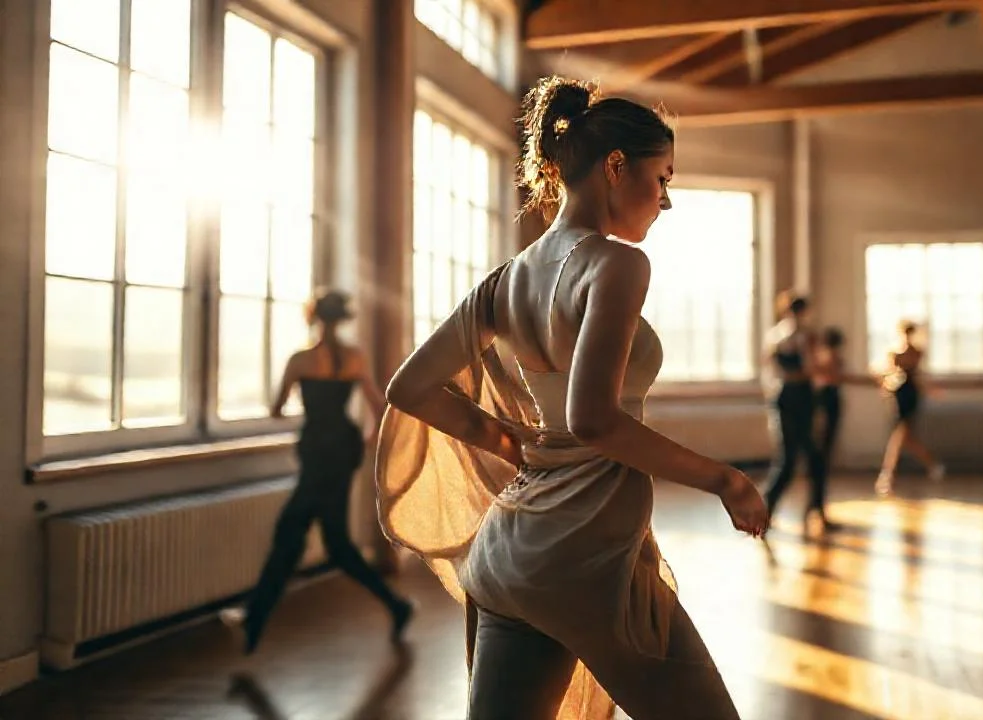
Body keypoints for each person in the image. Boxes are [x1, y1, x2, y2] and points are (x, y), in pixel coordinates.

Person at [375, 76, 766, 720]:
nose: (666, 201)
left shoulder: (506, 280)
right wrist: (723, 478)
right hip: (584, 555)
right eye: (662, 178)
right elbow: (593, 420)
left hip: (510, 555)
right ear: (617, 166)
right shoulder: (615, 264)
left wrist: (511, 441)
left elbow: (409, 386)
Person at [224, 289, 415, 654]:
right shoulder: (354, 358)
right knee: (334, 543)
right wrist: (366, 441)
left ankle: (254, 619)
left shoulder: (301, 360)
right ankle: (396, 605)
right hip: (342, 451)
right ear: (342, 319)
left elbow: (278, 408)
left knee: (292, 533)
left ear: (313, 317)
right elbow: (380, 406)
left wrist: (295, 400)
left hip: (316, 451)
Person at [761, 293, 831, 530]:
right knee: (795, 459)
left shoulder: (776, 335)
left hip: (790, 396)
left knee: (804, 458)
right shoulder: (800, 336)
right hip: (795, 397)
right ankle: (766, 510)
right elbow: (810, 370)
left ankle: (812, 511)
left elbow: (775, 370)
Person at [874, 320, 945, 495]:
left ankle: (888, 475)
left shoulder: (916, 352)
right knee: (902, 436)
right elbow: (886, 372)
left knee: (901, 436)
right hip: (899, 394)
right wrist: (886, 385)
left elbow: (919, 375)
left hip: (910, 394)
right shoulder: (895, 353)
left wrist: (929, 389)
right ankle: (931, 465)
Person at [812, 327, 856, 474]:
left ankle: (821, 467)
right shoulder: (829, 359)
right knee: (824, 434)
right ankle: (819, 467)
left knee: (826, 435)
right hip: (827, 395)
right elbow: (836, 378)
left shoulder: (823, 357)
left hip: (828, 394)